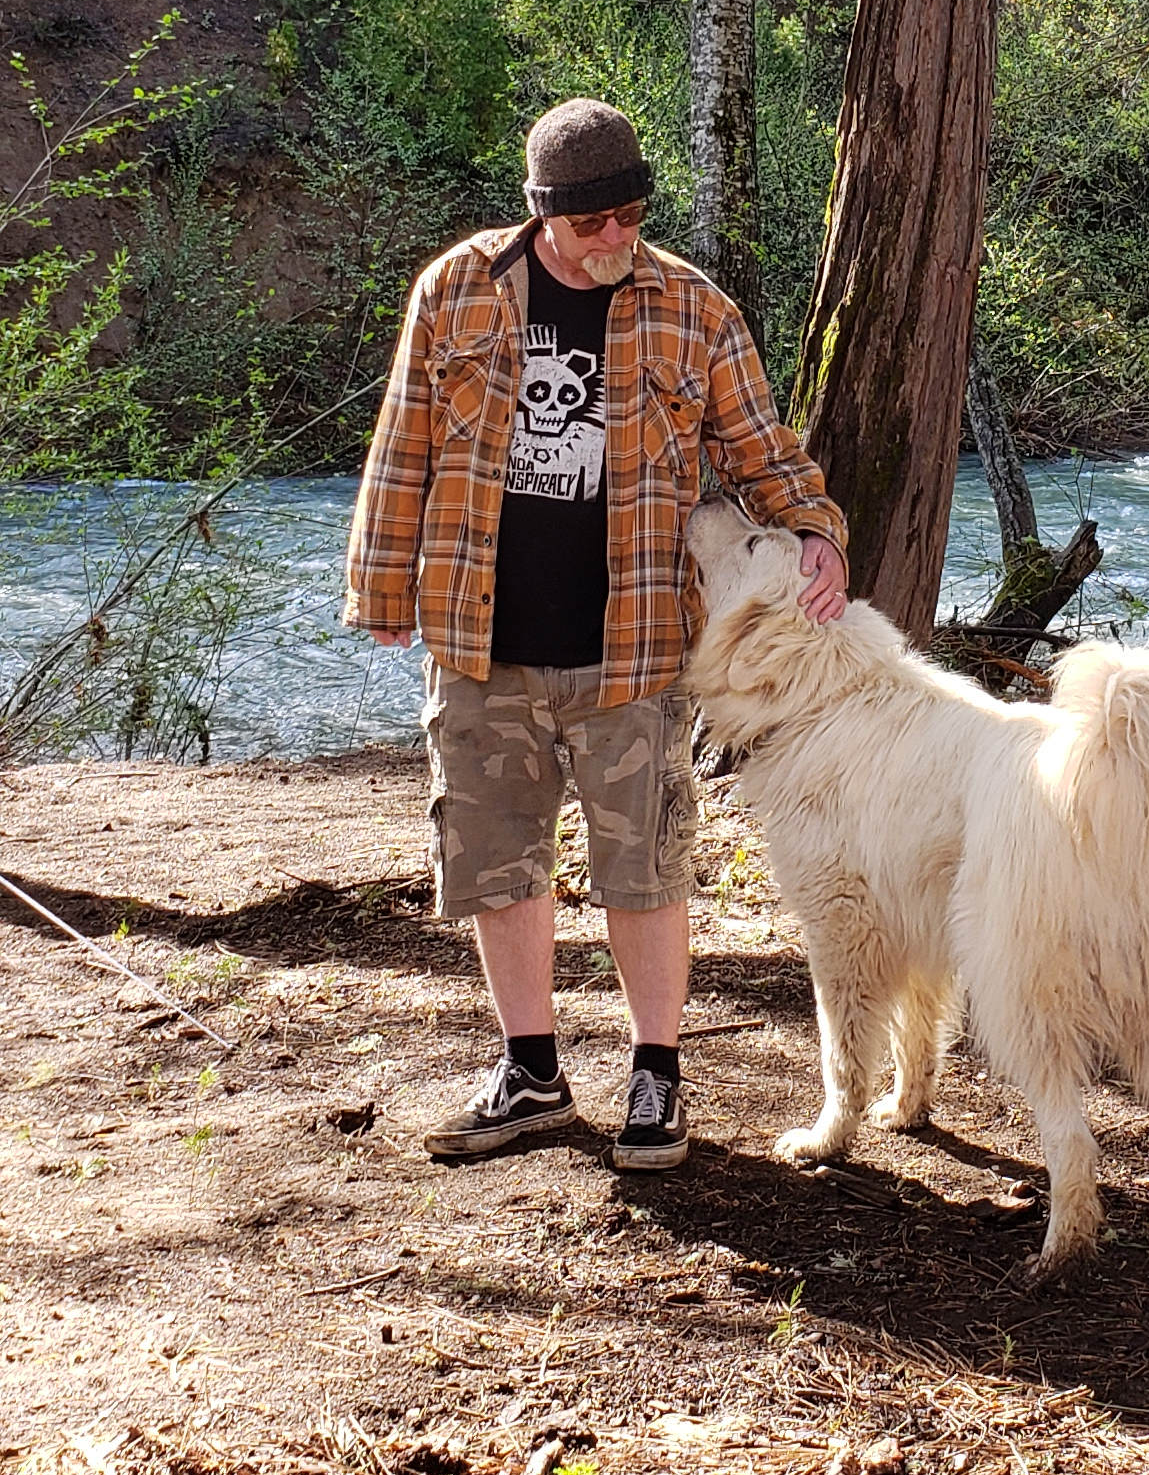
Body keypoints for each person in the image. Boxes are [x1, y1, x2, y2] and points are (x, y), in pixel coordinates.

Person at [345, 97, 847, 1169]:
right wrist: (385, 589)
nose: (619, 236)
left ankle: (656, 1076)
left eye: (632, 212)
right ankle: (530, 1070)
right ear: (544, 217)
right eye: (595, 222)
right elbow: (403, 445)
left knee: (646, 865)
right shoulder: (458, 290)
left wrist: (814, 530)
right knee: (495, 858)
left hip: (634, 645)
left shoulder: (692, 311)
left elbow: (762, 450)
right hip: (484, 640)